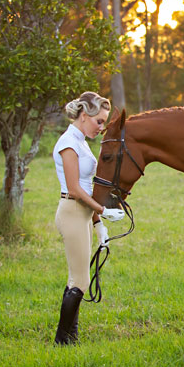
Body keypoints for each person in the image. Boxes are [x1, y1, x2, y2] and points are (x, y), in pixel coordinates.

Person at [52, 91, 124, 345]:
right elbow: (75, 188)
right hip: (71, 211)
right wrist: (103, 211)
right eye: (99, 121)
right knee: (80, 281)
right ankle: (62, 340)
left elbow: (87, 186)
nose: (101, 127)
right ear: (84, 116)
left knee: (76, 278)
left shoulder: (81, 142)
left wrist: (97, 223)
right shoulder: (68, 144)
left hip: (82, 213)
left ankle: (70, 337)